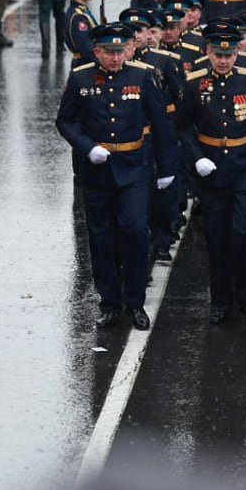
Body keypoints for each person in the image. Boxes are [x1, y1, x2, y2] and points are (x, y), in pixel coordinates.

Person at [57, 23, 178, 330]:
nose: (115, 58)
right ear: (96, 51)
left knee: (136, 230)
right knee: (101, 237)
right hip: (98, 170)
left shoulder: (142, 75)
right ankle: (109, 301)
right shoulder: (80, 77)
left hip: (134, 164)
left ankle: (135, 301)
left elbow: (160, 123)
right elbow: (66, 121)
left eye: (120, 51)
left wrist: (166, 169)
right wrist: (87, 148)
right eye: (108, 52)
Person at [177, 23, 246, 325]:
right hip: (212, 171)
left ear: (237, 52)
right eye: (218, 54)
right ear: (208, 52)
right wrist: (196, 158)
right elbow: (182, 125)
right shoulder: (193, 83)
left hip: (245, 168)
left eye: (229, 54)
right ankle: (220, 300)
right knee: (217, 237)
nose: (223, 60)